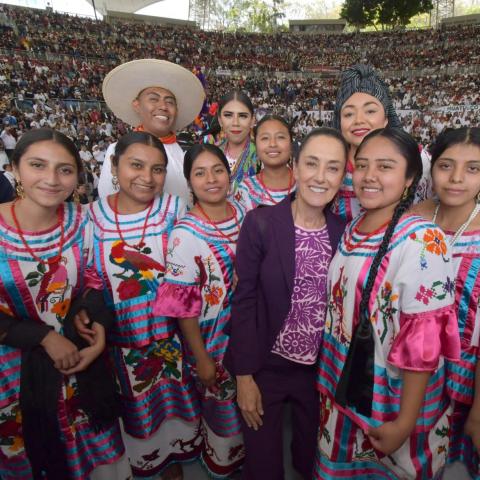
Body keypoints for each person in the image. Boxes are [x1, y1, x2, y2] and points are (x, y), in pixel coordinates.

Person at [315, 127, 460, 479]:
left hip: (392, 398)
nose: (369, 176)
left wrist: (405, 421)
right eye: (362, 165)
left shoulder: (424, 241)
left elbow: (424, 341)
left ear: (410, 177)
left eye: (385, 166)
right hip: (342, 381)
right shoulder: (353, 228)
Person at [0, 128, 131, 479]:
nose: (52, 180)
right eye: (38, 166)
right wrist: (43, 337)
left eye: (65, 169)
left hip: (77, 362)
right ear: (14, 169)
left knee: (91, 449)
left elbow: (93, 282)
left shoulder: (81, 219)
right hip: (14, 372)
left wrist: (99, 331)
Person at [225, 128, 348, 479]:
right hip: (265, 369)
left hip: (318, 373)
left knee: (311, 460)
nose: (320, 177)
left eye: (333, 168)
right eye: (312, 163)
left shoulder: (343, 231)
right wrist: (245, 378)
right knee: (264, 467)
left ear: (342, 176)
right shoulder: (261, 223)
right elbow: (244, 300)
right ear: (295, 165)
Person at [77, 131, 196, 479]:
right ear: (114, 166)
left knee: (175, 408)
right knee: (137, 416)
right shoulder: (91, 217)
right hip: (119, 343)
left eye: (157, 169)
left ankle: (174, 465)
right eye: (136, 165)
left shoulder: (174, 209)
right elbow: (90, 278)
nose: (147, 177)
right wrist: (87, 308)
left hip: (172, 338)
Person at [153, 144, 246, 477]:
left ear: (229, 173)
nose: (211, 179)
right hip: (212, 343)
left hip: (249, 334)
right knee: (224, 411)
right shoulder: (184, 233)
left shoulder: (244, 212)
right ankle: (225, 465)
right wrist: (202, 357)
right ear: (189, 182)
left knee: (250, 405)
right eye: (200, 173)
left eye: (218, 170)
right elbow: (182, 308)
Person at [412, 127, 480, 479]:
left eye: (473, 168)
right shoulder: (413, 218)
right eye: (446, 165)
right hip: (416, 372)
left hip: (468, 374)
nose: (456, 179)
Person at [331, 64, 432, 221]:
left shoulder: (418, 159)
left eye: (370, 111)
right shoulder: (331, 162)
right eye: (349, 113)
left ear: (386, 118)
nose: (359, 120)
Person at [98, 59, 205, 203]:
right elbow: (110, 202)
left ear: (176, 111)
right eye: (153, 99)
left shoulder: (185, 153)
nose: (163, 106)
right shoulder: (118, 150)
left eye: (170, 102)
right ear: (137, 105)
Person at [235, 114, 295, 211]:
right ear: (256, 145)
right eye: (265, 138)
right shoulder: (244, 190)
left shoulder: (305, 184)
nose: (272, 144)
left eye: (280, 137)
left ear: (291, 143)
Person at [215, 90, 259, 195]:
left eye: (242, 116)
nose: (235, 123)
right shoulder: (210, 153)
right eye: (228, 115)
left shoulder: (262, 157)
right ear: (220, 120)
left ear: (252, 121)